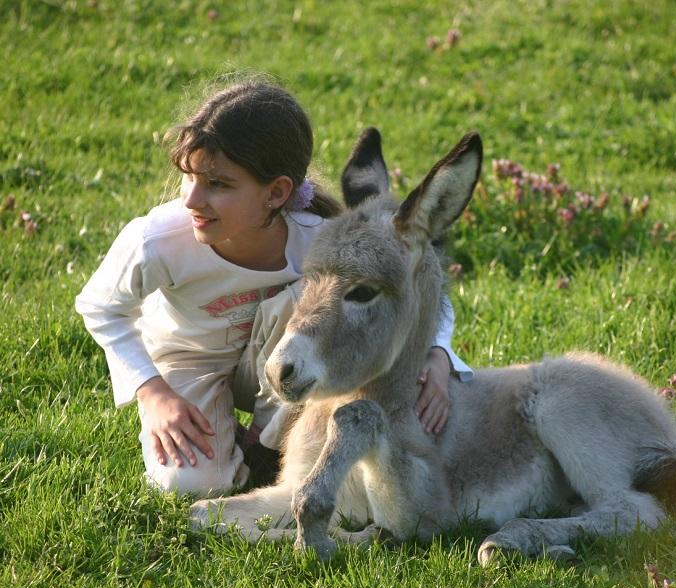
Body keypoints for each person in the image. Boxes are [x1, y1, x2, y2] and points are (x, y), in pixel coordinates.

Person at [75, 78, 472, 497]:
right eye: (188, 177)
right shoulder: (157, 241)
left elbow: (408, 291)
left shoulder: (317, 240)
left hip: (279, 362)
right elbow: (101, 307)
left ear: (277, 192)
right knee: (190, 486)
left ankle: (264, 443)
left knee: (312, 299)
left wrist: (438, 354)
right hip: (190, 359)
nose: (192, 199)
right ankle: (234, 443)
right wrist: (153, 393)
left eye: (218, 184)